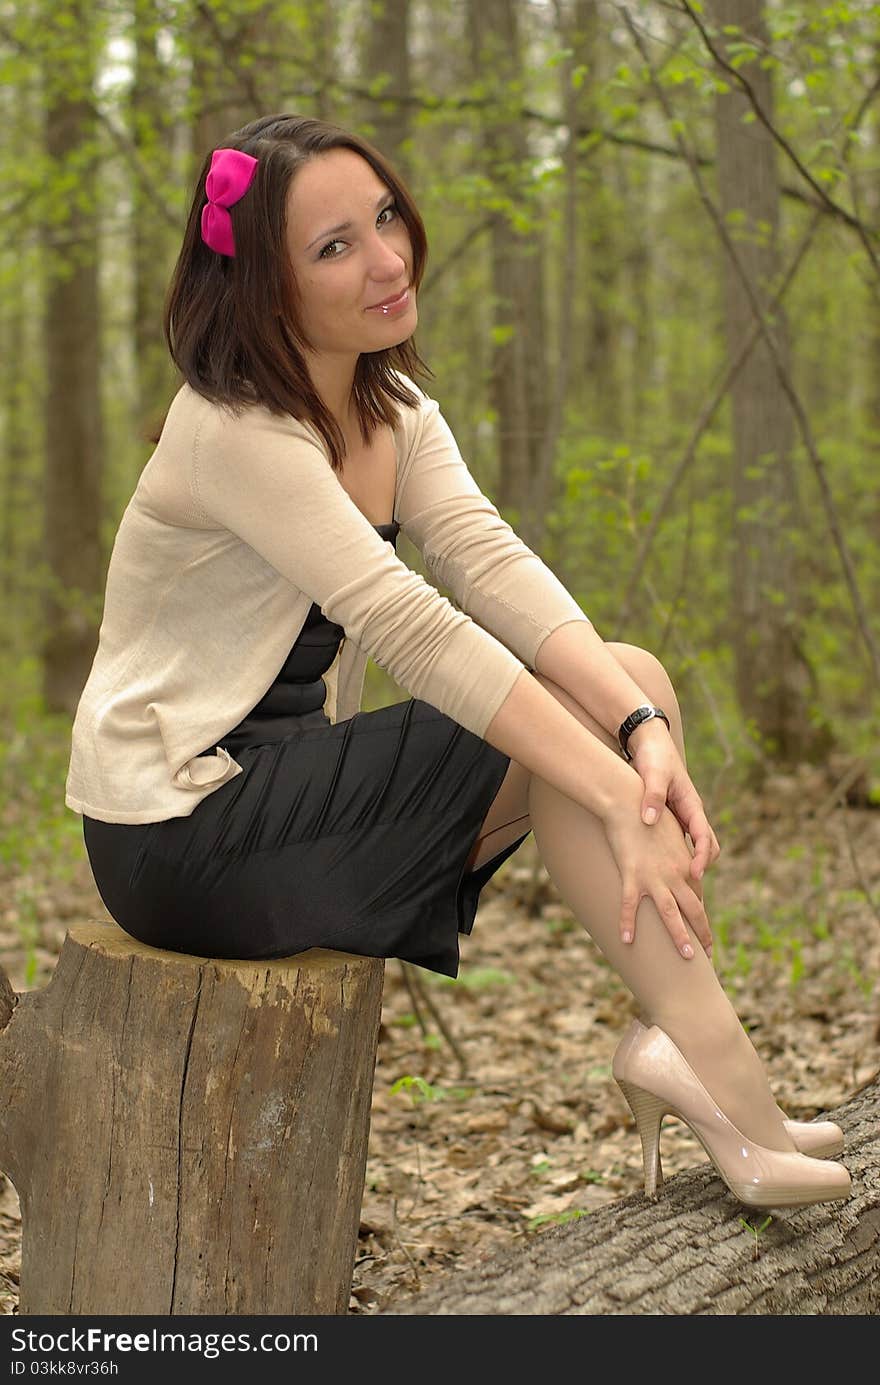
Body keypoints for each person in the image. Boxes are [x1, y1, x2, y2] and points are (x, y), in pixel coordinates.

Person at [66, 112, 850, 1213]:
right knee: (583, 745)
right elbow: (411, 624)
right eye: (333, 245)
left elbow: (493, 566)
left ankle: (691, 1057)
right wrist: (612, 786)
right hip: (181, 830)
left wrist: (642, 732)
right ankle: (732, 1091)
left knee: (628, 679)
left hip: (288, 787)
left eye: (384, 217)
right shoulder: (233, 430)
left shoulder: (390, 407)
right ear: (264, 290)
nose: (386, 258)